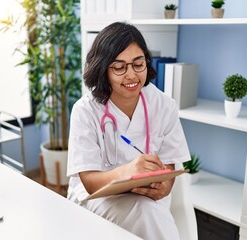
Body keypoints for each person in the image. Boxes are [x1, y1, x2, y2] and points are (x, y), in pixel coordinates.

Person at [67, 22, 190, 240]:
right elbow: (89, 182)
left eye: (138, 64)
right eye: (119, 67)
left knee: (148, 211)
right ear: (103, 69)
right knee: (146, 214)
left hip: (148, 200)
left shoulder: (164, 105)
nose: (131, 75)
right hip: (98, 200)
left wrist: (165, 186)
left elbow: (170, 165)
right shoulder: (85, 111)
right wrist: (128, 171)